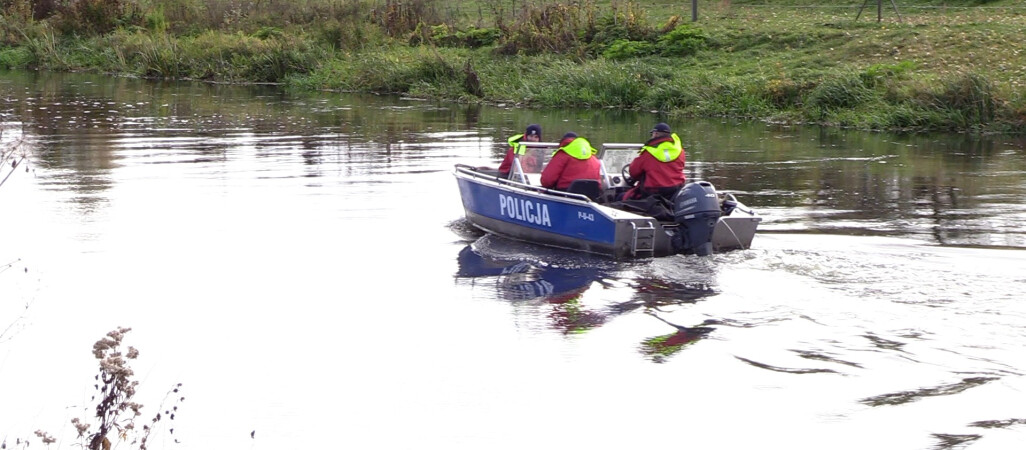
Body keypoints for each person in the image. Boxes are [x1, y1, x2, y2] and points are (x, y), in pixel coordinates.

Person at [622, 122, 686, 201]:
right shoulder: (680, 151)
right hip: (676, 191)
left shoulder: (649, 152)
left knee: (621, 196)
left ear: (655, 134)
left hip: (653, 193)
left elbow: (633, 172)